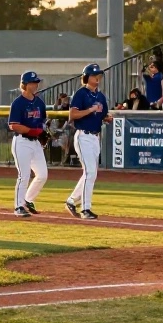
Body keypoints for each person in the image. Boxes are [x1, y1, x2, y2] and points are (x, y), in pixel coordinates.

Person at [64, 64, 111, 220]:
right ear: (86, 77)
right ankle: (86, 208)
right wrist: (90, 110)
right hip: (83, 136)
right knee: (90, 172)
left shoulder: (100, 96)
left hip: (95, 137)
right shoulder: (81, 93)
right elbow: (73, 114)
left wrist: (107, 118)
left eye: (98, 76)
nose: (97, 78)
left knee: (91, 173)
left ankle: (71, 200)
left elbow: (103, 114)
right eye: (93, 75)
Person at [8, 71, 49, 218]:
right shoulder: (18, 103)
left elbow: (43, 121)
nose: (35, 85)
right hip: (22, 142)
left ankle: (27, 199)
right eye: (32, 82)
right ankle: (18, 206)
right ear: (24, 85)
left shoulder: (39, 102)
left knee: (42, 175)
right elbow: (13, 125)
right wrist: (31, 130)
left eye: (36, 82)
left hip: (35, 142)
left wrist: (43, 132)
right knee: (23, 175)